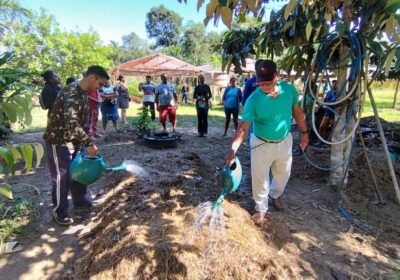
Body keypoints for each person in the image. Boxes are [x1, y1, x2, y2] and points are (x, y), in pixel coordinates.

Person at [224, 59, 309, 225]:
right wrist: (233, 150)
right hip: (261, 143)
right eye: (260, 84)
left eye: (268, 83)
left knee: (283, 174)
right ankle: (261, 208)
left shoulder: (289, 90)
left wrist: (305, 133)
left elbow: (297, 113)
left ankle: (275, 194)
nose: (264, 87)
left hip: (284, 141)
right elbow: (243, 128)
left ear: (276, 76)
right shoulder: (253, 100)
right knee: (259, 177)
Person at [43, 65, 109, 226]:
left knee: (80, 170)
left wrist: (84, 140)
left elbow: (82, 120)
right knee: (62, 176)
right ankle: (60, 211)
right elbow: (71, 122)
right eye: (100, 84)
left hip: (74, 140)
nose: (100, 88)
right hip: (58, 140)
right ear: (92, 77)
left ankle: (79, 199)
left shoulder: (83, 92)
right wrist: (89, 143)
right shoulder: (71, 91)